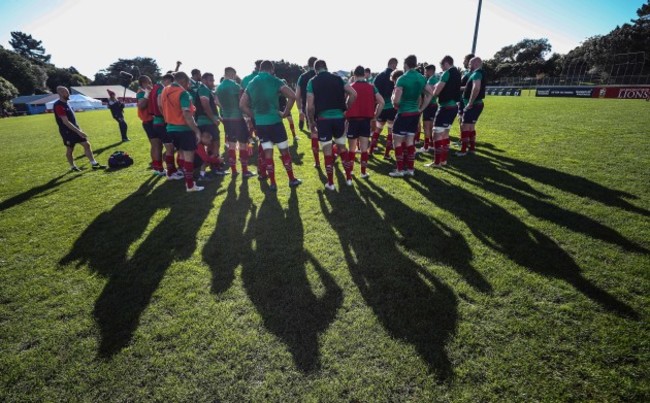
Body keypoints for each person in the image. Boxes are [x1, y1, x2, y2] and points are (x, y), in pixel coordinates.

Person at [239, 60, 302, 191]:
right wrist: (285, 113)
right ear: (271, 69)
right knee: (284, 151)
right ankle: (291, 179)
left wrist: (254, 115)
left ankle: (273, 183)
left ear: (260, 69)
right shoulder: (275, 80)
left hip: (261, 125)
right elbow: (292, 96)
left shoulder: (251, 83)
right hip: (275, 122)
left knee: (268, 153)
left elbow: (242, 105)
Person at [306, 59, 357, 191]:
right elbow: (353, 93)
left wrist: (311, 122)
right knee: (342, 148)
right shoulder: (339, 78)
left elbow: (310, 106)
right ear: (326, 67)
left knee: (327, 151)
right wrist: (347, 108)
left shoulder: (312, 81)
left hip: (323, 120)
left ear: (315, 69)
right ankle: (349, 179)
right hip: (339, 118)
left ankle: (331, 183)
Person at [160, 71, 204, 192]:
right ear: (183, 81)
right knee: (189, 156)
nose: (189, 85)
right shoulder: (183, 93)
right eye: (188, 82)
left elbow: (160, 106)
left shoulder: (165, 90)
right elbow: (186, 113)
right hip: (183, 129)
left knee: (180, 154)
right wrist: (196, 130)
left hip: (170, 128)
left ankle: (171, 174)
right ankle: (190, 185)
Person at [388, 55, 428, 177]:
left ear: (405, 64)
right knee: (410, 142)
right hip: (415, 114)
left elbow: (396, 102)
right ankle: (410, 169)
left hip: (403, 113)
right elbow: (430, 94)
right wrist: (421, 108)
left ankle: (400, 170)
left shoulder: (402, 78)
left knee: (397, 142)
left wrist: (393, 98)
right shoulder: (422, 78)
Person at [345, 65, 384, 182]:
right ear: (364, 74)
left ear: (354, 75)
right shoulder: (372, 87)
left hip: (352, 121)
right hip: (366, 121)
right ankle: (363, 172)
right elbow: (381, 102)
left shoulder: (350, 87)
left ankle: (350, 170)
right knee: (364, 149)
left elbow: (344, 104)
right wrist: (375, 116)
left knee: (351, 148)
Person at [53, 86, 105, 171]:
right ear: (61, 93)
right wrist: (79, 131)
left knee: (86, 144)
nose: (68, 93)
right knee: (70, 149)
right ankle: (73, 167)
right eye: (66, 92)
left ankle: (94, 164)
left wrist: (78, 130)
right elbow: (65, 122)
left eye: (68, 91)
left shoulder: (67, 103)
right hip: (67, 132)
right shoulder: (58, 105)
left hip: (75, 129)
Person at [217, 66, 256, 177]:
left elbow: (217, 101)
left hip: (227, 119)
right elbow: (242, 102)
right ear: (232, 74)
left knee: (231, 145)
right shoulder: (235, 86)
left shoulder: (219, 87)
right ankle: (245, 171)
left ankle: (234, 170)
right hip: (237, 118)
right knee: (243, 144)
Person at [426, 55, 461, 168]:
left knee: (436, 134)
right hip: (453, 107)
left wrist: (430, 91)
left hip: (445, 107)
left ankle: (437, 162)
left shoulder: (447, 73)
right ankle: (443, 160)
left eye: (441, 65)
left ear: (446, 63)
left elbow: (436, 92)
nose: (441, 68)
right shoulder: (457, 72)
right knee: (445, 134)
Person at [195, 72, 228, 178]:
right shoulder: (203, 88)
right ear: (204, 80)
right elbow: (205, 105)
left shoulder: (206, 89)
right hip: (207, 122)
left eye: (213, 80)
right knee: (215, 144)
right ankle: (215, 167)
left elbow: (213, 106)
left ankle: (214, 166)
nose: (213, 82)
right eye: (211, 80)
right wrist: (214, 119)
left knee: (213, 144)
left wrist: (219, 118)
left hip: (206, 121)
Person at [151, 73, 183, 180]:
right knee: (169, 147)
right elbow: (160, 104)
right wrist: (167, 117)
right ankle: (171, 172)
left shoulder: (155, 87)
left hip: (155, 122)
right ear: (168, 80)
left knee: (162, 147)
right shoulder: (162, 89)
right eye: (171, 83)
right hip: (161, 122)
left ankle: (164, 169)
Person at [369, 57, 398, 158]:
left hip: (381, 107)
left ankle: (371, 151)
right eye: (396, 65)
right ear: (393, 64)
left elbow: (374, 91)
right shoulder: (396, 76)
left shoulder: (379, 76)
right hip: (392, 107)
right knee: (390, 131)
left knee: (378, 129)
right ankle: (386, 154)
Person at [458, 57, 486, 156]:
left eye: (470, 64)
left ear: (475, 63)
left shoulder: (477, 73)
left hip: (473, 105)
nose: (469, 66)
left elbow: (476, 88)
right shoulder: (479, 73)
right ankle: (472, 148)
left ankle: (463, 150)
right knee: (470, 127)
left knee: (465, 126)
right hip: (477, 104)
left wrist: (470, 102)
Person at [136, 75, 164, 175]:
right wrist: (147, 93)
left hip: (151, 121)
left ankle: (156, 167)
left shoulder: (146, 91)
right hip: (149, 121)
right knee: (157, 145)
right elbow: (141, 105)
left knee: (157, 145)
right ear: (143, 83)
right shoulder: (141, 92)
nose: (151, 84)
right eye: (149, 82)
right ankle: (159, 169)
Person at [295, 57, 319, 165]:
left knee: (313, 133)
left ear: (308, 64)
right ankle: (331, 153)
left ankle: (317, 161)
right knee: (326, 134)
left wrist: (300, 110)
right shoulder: (321, 74)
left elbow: (297, 94)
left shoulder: (302, 77)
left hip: (308, 107)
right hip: (323, 107)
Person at [417, 64, 439, 154]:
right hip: (433, 105)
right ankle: (431, 145)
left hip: (429, 105)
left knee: (426, 126)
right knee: (430, 127)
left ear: (431, 71)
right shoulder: (436, 78)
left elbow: (429, 94)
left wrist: (422, 106)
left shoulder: (431, 80)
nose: (425, 73)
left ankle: (426, 146)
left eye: (426, 71)